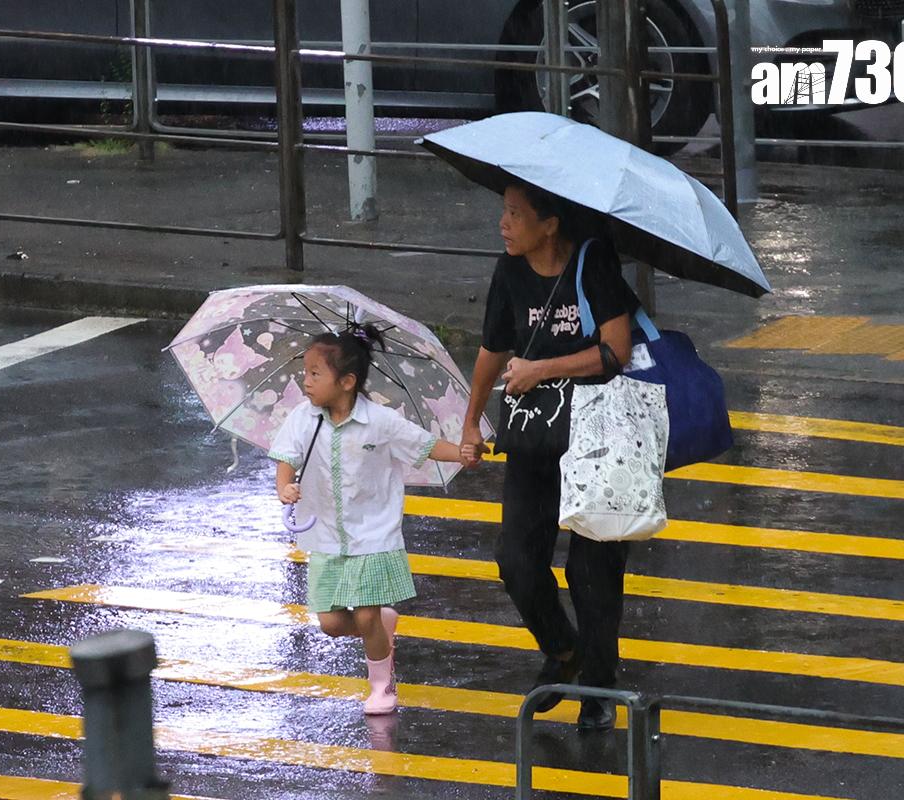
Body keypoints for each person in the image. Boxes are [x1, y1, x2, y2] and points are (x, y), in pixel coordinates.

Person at [459, 180, 640, 732]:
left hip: (600, 438)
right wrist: (472, 418)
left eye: (516, 214)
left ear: (550, 224)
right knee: (516, 559)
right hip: (536, 436)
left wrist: (541, 368)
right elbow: (494, 347)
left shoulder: (594, 260)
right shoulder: (508, 270)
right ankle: (564, 650)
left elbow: (616, 350)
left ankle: (599, 688)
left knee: (591, 569)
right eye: (504, 211)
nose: (504, 224)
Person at [269, 325, 463, 715]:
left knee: (365, 612)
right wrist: (285, 488)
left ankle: (382, 686)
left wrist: (463, 453)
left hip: (374, 533)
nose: (304, 382)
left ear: (347, 382)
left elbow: (424, 445)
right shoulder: (303, 419)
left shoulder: (380, 421)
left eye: (314, 374)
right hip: (325, 535)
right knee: (331, 623)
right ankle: (380, 628)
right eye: (304, 372)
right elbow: (286, 460)